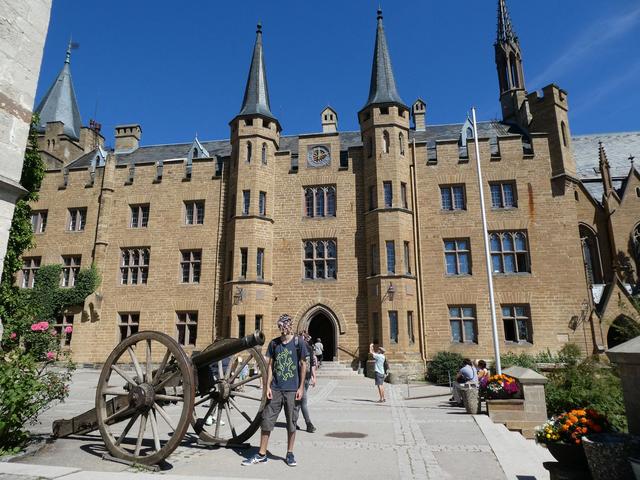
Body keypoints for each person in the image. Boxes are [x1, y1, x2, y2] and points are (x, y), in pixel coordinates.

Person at [242, 314, 307, 467]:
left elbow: (303, 365)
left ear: (290, 326)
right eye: (281, 327)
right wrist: (267, 387)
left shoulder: (299, 343)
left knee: (292, 422)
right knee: (267, 421)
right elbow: (270, 366)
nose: (283, 330)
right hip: (276, 389)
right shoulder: (274, 344)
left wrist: (301, 387)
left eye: (285, 327)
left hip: (292, 389)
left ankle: (290, 453)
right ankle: (261, 453)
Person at [294, 333, 317, 433]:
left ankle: (305, 424)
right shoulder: (309, 347)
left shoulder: (297, 348)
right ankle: (306, 424)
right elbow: (312, 364)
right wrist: (314, 376)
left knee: (301, 402)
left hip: (302, 378)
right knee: (302, 401)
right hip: (306, 377)